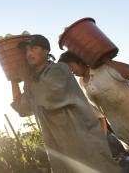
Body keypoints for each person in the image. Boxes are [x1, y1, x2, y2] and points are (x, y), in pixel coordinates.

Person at [11, 34, 119, 173]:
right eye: (26, 51)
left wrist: (25, 77)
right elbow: (22, 109)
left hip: (83, 143)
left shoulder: (59, 70)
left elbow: (47, 96)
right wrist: (13, 80)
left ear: (46, 51)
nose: (28, 53)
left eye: (33, 48)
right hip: (60, 150)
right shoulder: (31, 83)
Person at [58, 51, 129, 173]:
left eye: (70, 66)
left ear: (80, 60)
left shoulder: (105, 68)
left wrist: (105, 59)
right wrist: (102, 142)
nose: (71, 71)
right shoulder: (82, 84)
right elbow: (99, 115)